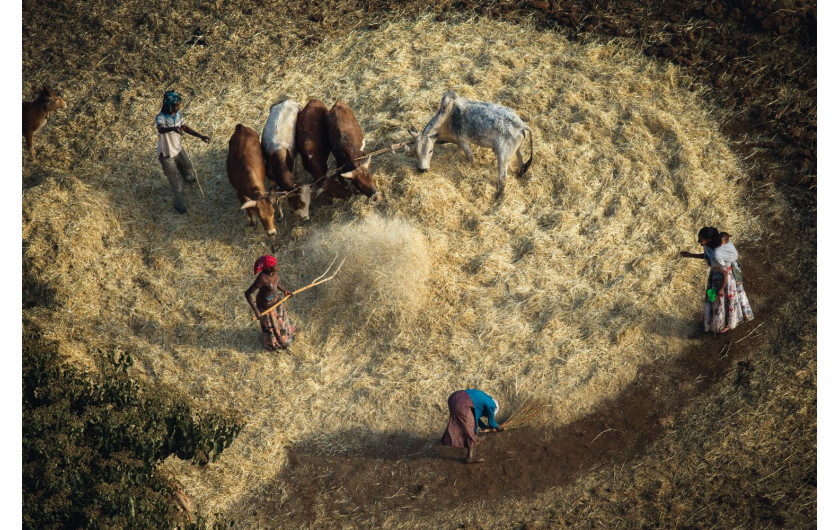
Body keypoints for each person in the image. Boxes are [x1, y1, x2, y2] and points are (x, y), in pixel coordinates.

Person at [680, 227, 754, 334]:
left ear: (709, 240)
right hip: (717, 274)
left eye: (701, 240)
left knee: (724, 300)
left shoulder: (717, 254)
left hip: (725, 279)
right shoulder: (709, 246)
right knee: (721, 301)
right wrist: (690, 255)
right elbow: (707, 257)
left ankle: (728, 324)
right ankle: (723, 322)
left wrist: (721, 288)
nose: (698, 241)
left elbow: (725, 272)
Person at [155, 90, 210, 213]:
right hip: (167, 155)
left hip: (178, 149)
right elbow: (161, 129)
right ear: (169, 105)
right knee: (177, 185)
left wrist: (200, 136)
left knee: (188, 168)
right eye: (177, 105)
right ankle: (180, 207)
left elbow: (184, 127)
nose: (179, 107)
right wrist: (174, 128)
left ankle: (188, 178)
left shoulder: (178, 114)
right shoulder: (161, 118)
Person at [245, 255, 296, 351]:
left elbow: (275, 283)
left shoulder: (274, 272)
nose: (277, 266)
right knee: (271, 328)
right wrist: (256, 311)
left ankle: (285, 337)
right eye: (274, 265)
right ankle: (275, 344)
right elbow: (247, 294)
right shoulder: (262, 278)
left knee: (281, 322)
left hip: (276, 302)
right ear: (268, 268)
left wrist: (284, 290)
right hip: (266, 307)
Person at [441, 389, 503, 463]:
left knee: (465, 424)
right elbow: (492, 423)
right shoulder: (492, 405)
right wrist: (498, 427)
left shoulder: (483, 400)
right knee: (471, 430)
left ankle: (450, 439)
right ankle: (469, 457)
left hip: (454, 398)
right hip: (463, 403)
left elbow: (475, 418)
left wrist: (484, 427)